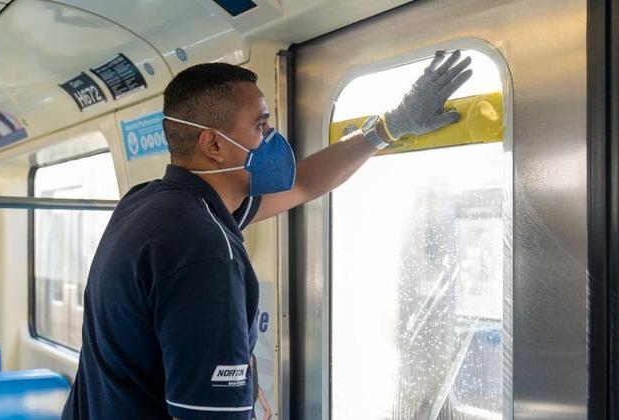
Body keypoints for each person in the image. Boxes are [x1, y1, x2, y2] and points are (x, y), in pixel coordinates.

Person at [61, 49, 471, 419]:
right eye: (261, 125)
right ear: (213, 145)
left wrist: (386, 128)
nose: (273, 138)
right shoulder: (204, 249)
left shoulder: (152, 203)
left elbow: (304, 185)